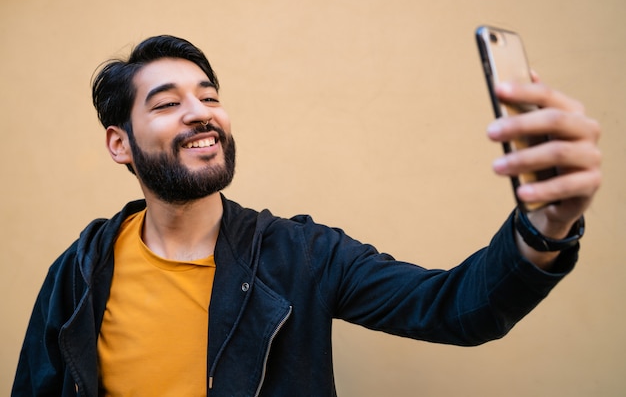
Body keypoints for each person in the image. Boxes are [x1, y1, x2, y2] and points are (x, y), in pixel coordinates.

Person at [12, 35, 601, 397]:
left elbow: (454, 308)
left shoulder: (303, 255)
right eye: (168, 104)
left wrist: (543, 227)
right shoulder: (82, 269)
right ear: (120, 144)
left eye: (210, 96)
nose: (202, 114)